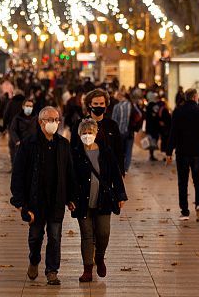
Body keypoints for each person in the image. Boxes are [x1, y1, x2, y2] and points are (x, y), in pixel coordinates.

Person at [10, 106, 77, 286]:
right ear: (41, 122)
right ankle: (34, 260)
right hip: (35, 201)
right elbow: (18, 174)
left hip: (56, 200)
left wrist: (71, 197)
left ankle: (52, 271)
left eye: (56, 120)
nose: (54, 123)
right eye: (50, 119)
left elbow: (69, 173)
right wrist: (20, 202)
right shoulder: (28, 144)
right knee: (35, 237)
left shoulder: (63, 144)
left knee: (55, 238)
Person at [71, 118, 126, 282]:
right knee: (87, 235)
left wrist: (121, 195)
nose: (87, 136)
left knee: (103, 233)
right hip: (82, 202)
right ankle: (87, 268)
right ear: (79, 134)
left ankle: (99, 257)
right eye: (84, 133)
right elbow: (70, 178)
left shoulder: (106, 152)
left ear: (96, 134)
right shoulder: (75, 153)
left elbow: (116, 175)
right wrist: (69, 199)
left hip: (103, 200)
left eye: (90, 133)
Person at [165, 89, 199, 222]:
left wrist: (169, 152)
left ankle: (185, 211)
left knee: (183, 181)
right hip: (198, 152)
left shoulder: (178, 112)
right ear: (195, 97)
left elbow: (173, 133)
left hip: (182, 152)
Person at [72, 89, 124, 175]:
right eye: (96, 104)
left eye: (101, 104)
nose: (99, 106)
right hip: (85, 171)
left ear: (105, 105)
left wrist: (121, 172)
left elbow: (118, 150)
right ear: (90, 104)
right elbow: (73, 148)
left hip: (108, 172)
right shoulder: (80, 123)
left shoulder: (112, 125)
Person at [8, 98, 37, 168]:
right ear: (23, 106)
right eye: (27, 106)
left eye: (31, 106)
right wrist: (17, 141)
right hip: (20, 145)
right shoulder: (17, 118)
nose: (29, 108)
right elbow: (12, 130)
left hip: (32, 145)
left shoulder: (36, 118)